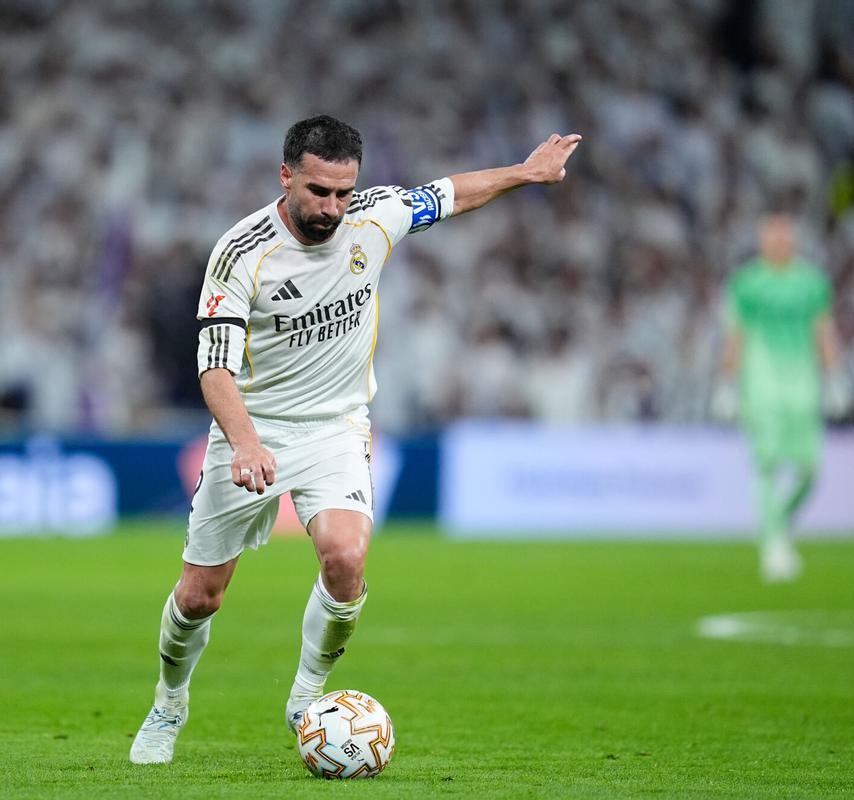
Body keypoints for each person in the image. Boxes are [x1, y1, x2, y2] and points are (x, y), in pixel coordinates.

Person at [129, 115, 581, 764]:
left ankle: (306, 694)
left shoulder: (376, 216)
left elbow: (450, 193)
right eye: (318, 192)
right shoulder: (241, 252)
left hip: (336, 428)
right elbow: (214, 368)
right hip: (252, 430)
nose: (333, 208)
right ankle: (169, 702)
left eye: (343, 193)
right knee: (201, 594)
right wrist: (248, 442)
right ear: (286, 176)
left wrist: (525, 172)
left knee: (346, 558)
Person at [716, 214, 848, 583]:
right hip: (761, 384)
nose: (777, 243)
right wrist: (727, 384)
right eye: (771, 238)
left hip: (804, 384)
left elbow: (824, 330)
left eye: (783, 237)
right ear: (762, 242)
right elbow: (735, 336)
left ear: (793, 241)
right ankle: (773, 544)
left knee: (810, 470)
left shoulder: (811, 282)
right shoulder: (747, 282)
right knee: (767, 464)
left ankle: (779, 524)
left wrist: (835, 377)